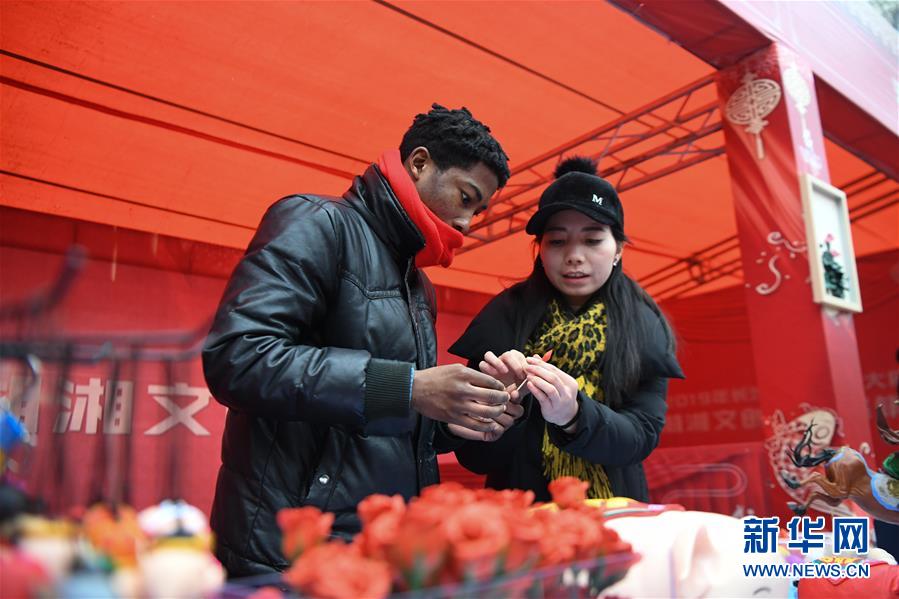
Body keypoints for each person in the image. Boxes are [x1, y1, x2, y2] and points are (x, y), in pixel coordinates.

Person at [202, 104, 515, 577]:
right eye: (466, 197)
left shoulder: (417, 284)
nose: (468, 224)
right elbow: (238, 357)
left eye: (478, 209)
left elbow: (391, 417)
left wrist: (461, 414)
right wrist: (410, 387)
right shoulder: (316, 223)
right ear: (419, 163)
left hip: (376, 553)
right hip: (291, 555)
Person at [448, 156, 684, 503]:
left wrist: (575, 415)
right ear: (539, 249)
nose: (574, 256)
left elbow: (640, 438)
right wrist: (501, 412)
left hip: (612, 514)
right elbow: (474, 457)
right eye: (557, 241)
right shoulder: (504, 316)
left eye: (592, 241)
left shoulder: (642, 323)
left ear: (617, 248)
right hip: (523, 520)